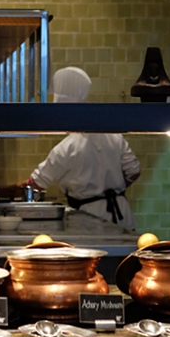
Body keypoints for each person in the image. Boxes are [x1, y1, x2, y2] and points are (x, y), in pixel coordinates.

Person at [19, 67, 141, 230]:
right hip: (122, 215)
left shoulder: (65, 148)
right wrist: (111, 189)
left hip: (89, 219)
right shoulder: (113, 135)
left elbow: (35, 184)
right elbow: (134, 171)